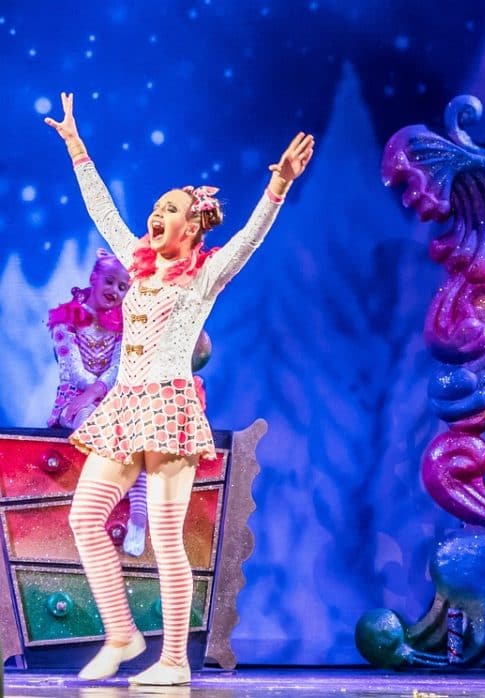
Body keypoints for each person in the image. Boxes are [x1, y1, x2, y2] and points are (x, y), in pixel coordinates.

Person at [44, 91, 315, 686]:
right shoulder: (137, 261)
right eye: (156, 207)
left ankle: (173, 660)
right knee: (85, 518)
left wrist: (279, 185)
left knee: (166, 539)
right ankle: (122, 635)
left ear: (192, 225)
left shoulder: (205, 274)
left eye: (169, 208)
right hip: (124, 406)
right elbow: (103, 212)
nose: (155, 214)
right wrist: (76, 147)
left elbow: (249, 239)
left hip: (168, 407)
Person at [47, 250, 152, 556]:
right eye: (109, 281)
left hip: (109, 396)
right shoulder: (66, 319)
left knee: (137, 436)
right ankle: (101, 503)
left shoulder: (122, 326)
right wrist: (92, 395)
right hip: (75, 399)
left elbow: (118, 366)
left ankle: (138, 516)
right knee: (93, 423)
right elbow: (72, 371)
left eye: (123, 287)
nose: (114, 291)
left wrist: (100, 391)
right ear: (94, 278)